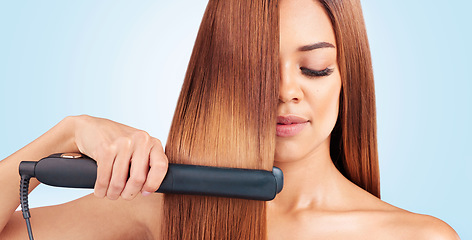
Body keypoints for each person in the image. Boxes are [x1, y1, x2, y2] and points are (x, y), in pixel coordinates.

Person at [0, 0, 460, 239]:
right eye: (257, 69)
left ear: (346, 77)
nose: (286, 92)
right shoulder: (160, 209)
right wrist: (65, 133)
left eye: (314, 68)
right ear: (221, 77)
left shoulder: (419, 236)